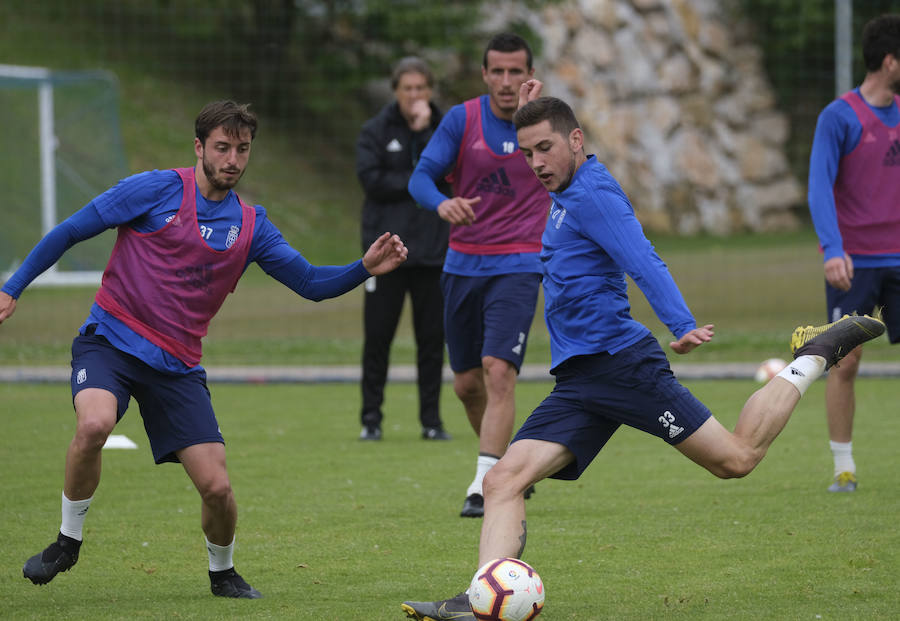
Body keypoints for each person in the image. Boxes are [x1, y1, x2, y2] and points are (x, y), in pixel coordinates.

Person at [400, 94, 885, 620]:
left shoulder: (594, 193)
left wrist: (679, 323)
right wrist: (530, 104)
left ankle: (813, 355)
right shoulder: (563, 190)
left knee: (737, 459)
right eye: (528, 153)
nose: (536, 162)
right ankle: (481, 600)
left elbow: (642, 256)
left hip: (622, 366)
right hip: (580, 380)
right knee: (502, 480)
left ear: (576, 140)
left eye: (546, 148)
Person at [0, 100, 408, 599]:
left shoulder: (253, 226)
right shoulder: (155, 189)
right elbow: (70, 230)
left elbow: (310, 283)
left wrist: (363, 267)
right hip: (110, 341)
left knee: (217, 488)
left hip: (176, 367)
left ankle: (223, 572)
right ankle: (67, 541)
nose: (233, 158)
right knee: (94, 423)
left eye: (242, 149)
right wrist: (13, 287)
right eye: (222, 147)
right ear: (199, 148)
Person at [407, 33, 550, 517]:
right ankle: (509, 465)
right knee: (467, 385)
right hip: (463, 265)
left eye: (517, 72)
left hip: (521, 263)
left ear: (530, 74)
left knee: (498, 372)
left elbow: (576, 170)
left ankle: (483, 484)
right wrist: (442, 203)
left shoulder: (547, 121)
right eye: (498, 72)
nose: (507, 82)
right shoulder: (461, 119)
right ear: (485, 74)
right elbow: (419, 178)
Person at [806, 14, 900, 492]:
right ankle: (844, 467)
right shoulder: (839, 117)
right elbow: (819, 187)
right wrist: (833, 249)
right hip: (855, 261)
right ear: (890, 61)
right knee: (846, 362)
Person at [356, 57, 451, 442]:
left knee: (432, 341)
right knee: (378, 338)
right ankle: (371, 420)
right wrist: (420, 179)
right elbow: (372, 180)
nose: (414, 95)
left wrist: (426, 133)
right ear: (396, 90)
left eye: (421, 88)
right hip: (386, 254)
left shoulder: (445, 128)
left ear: (430, 91)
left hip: (433, 253)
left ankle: (431, 422)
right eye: (407, 88)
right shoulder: (375, 130)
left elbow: (449, 173)